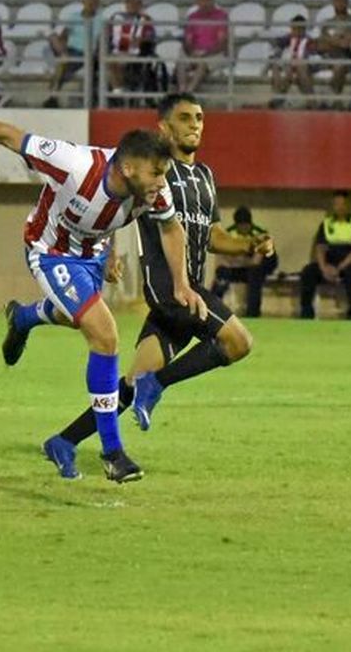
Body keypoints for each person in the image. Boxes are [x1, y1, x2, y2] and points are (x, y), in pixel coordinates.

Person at [0, 93, 197, 484]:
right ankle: (113, 453)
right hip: (50, 253)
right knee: (105, 335)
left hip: (91, 256)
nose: (163, 182)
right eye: (156, 173)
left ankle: (25, 317)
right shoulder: (74, 164)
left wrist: (180, 282)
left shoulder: (151, 190)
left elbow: (170, 227)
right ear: (127, 167)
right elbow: (9, 136)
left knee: (78, 318)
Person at [42, 93, 269, 475]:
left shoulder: (205, 177)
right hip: (172, 291)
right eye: (184, 118)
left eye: (199, 117)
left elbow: (213, 236)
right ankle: (158, 384)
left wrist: (248, 245)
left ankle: (63, 441)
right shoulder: (155, 173)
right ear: (164, 127)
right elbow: (114, 203)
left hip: (189, 290)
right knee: (238, 342)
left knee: (127, 386)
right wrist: (108, 251)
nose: (195, 124)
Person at [297, 190, 351, 320]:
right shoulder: (326, 223)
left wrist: (340, 267)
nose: (340, 207)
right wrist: (324, 267)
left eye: (343, 204)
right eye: (336, 204)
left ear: (349, 206)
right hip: (331, 261)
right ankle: (306, 312)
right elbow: (320, 248)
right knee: (308, 272)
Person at [210, 206, 274, 317]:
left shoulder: (260, 234)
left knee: (255, 273)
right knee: (221, 273)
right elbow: (222, 260)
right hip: (236, 269)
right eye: (241, 225)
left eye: (246, 225)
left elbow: (255, 261)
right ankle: (211, 310)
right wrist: (241, 258)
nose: (243, 228)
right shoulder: (229, 233)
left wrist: (234, 258)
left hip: (257, 269)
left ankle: (253, 313)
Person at [47, 0, 103, 107]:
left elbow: (101, 41)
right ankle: (64, 56)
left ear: (97, 4)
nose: (91, 4)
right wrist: (63, 48)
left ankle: (53, 96)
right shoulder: (74, 17)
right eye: (88, 1)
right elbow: (64, 35)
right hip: (70, 49)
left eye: (94, 2)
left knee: (61, 67)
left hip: (86, 52)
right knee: (53, 37)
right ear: (83, 2)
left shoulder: (101, 20)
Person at [178, 0, 228, 93]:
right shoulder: (192, 17)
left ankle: (189, 92)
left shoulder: (221, 16)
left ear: (212, 1)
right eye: (201, 0)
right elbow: (187, 41)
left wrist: (205, 54)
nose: (204, 3)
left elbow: (222, 43)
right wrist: (191, 53)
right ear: (197, 2)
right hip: (195, 53)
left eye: (207, 0)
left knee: (202, 64)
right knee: (181, 63)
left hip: (215, 54)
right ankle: (182, 90)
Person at [314, 0, 351, 100]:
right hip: (326, 57)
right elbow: (321, 44)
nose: (340, 3)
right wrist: (338, 38)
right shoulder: (327, 23)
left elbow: (347, 44)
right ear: (333, 2)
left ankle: (332, 99)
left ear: (347, 2)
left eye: (343, 0)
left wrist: (331, 39)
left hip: (345, 58)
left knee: (339, 66)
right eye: (337, 0)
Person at [269, 14, 315, 106]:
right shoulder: (287, 38)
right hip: (289, 65)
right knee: (276, 66)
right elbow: (277, 47)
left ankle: (311, 101)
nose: (296, 31)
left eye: (299, 29)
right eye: (294, 28)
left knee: (298, 67)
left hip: (303, 66)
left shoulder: (308, 40)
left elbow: (311, 56)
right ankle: (278, 95)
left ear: (304, 29)